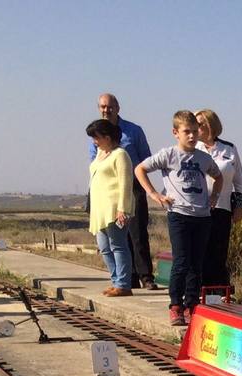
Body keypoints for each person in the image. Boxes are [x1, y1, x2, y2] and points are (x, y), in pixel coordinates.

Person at [135, 111, 222, 326]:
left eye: (195, 132)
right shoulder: (169, 155)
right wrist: (154, 194)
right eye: (187, 132)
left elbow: (217, 176)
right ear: (176, 133)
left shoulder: (203, 158)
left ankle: (192, 304)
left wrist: (214, 196)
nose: (192, 136)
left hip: (202, 216)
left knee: (196, 264)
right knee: (181, 262)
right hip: (179, 215)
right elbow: (140, 169)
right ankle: (176, 305)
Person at [88, 94, 156, 290]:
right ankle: (126, 279)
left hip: (130, 186)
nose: (106, 110)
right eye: (102, 106)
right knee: (109, 244)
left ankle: (144, 276)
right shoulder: (96, 138)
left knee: (136, 234)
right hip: (103, 194)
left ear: (117, 108)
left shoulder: (133, 132)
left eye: (109, 106)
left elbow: (146, 159)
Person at [194, 108, 242, 291]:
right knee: (199, 253)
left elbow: (240, 182)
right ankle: (197, 293)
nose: (196, 127)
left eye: (200, 123)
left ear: (210, 125)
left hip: (222, 210)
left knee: (218, 254)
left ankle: (217, 293)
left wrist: (238, 207)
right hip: (196, 211)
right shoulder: (192, 149)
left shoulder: (229, 149)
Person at [86, 119, 136, 297]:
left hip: (114, 208)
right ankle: (116, 280)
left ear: (107, 137)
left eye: (97, 137)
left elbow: (125, 183)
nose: (95, 141)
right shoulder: (100, 154)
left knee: (118, 245)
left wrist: (123, 208)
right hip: (99, 209)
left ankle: (123, 283)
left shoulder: (120, 154)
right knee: (104, 247)